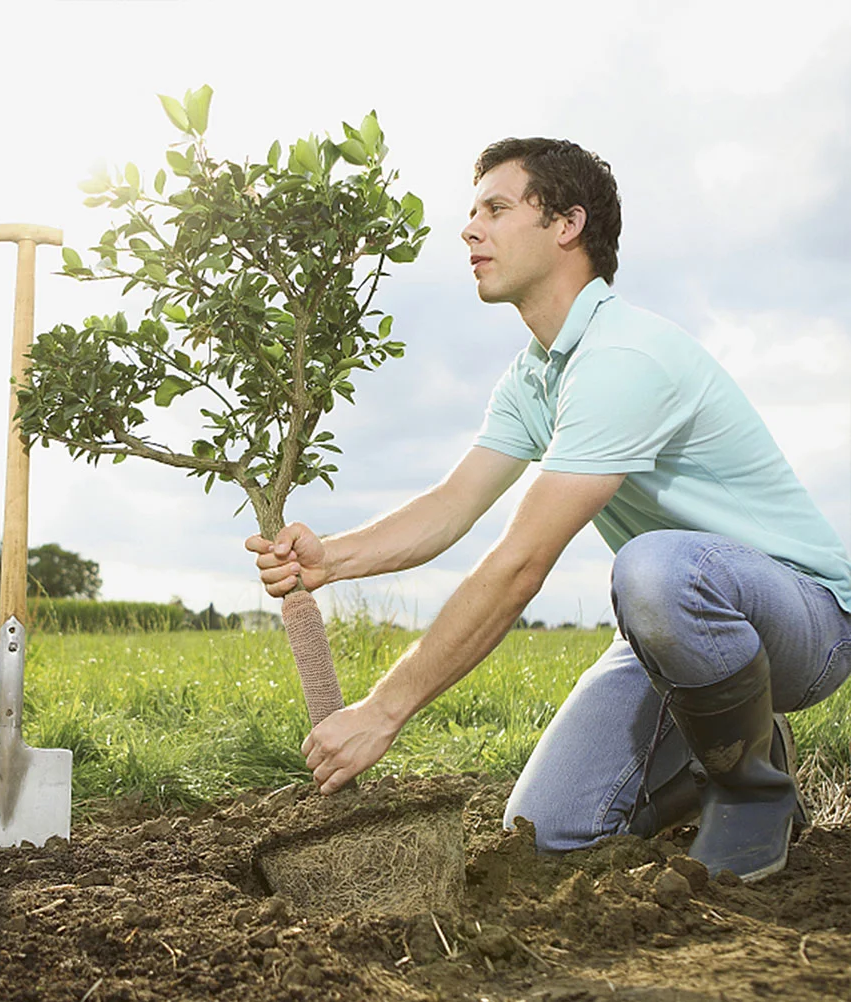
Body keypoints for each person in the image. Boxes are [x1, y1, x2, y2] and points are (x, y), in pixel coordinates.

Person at [245, 138, 851, 883]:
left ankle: (750, 788)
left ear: (567, 224)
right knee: (548, 829)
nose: (470, 230)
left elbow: (521, 561)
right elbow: (450, 506)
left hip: (801, 619)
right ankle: (736, 743)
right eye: (471, 213)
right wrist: (330, 559)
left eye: (496, 210)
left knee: (654, 564)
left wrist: (383, 710)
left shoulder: (624, 357)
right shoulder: (537, 376)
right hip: (673, 628)